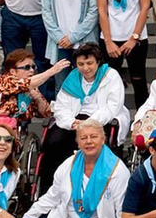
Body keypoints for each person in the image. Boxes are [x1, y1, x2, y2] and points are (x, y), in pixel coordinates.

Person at [21, 120, 130, 218]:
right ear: (78, 143)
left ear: (103, 140)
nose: (88, 141)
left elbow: (122, 210)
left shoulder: (117, 170)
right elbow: (52, 196)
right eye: (83, 138)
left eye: (94, 137)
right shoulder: (69, 164)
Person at [43, 43, 129, 190]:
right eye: (81, 64)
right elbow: (61, 106)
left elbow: (113, 106)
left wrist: (90, 123)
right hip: (75, 120)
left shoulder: (111, 76)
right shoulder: (73, 78)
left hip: (102, 119)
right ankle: (52, 188)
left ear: (98, 62)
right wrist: (71, 123)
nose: (85, 68)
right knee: (53, 142)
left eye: (89, 63)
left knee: (97, 145)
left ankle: (97, 187)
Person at [97, 0, 153, 108]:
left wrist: (133, 38)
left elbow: (144, 7)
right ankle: (111, 123)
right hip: (111, 38)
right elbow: (102, 9)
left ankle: (141, 122)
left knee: (139, 80)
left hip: (135, 38)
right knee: (109, 84)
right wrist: (108, 41)